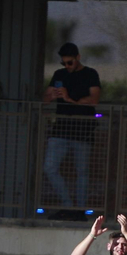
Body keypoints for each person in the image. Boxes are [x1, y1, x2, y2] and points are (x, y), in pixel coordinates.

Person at [42, 42, 101, 215]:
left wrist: (70, 100)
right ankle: (68, 205)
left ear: (78, 58)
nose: (67, 66)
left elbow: (94, 99)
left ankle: (79, 210)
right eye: (64, 63)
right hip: (60, 129)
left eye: (70, 62)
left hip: (82, 130)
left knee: (82, 171)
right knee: (49, 168)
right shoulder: (59, 74)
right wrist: (51, 95)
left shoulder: (90, 74)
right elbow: (45, 99)